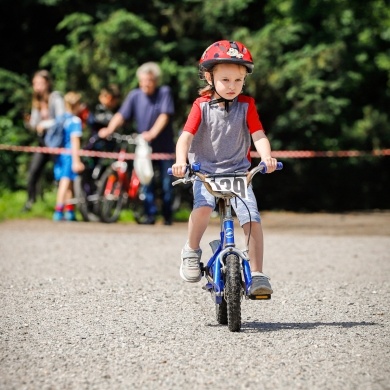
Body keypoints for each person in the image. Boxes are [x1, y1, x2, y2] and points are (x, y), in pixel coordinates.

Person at [170, 40, 278, 295]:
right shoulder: (201, 106)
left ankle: (259, 274)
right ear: (210, 77)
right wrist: (180, 161)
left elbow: (258, 134)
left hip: (239, 173)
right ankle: (192, 249)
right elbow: (185, 137)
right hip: (205, 171)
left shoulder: (247, 105)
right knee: (203, 207)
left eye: (238, 81)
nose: (232, 86)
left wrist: (267, 158)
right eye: (225, 80)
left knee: (251, 217)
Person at [99, 62, 175, 225]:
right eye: (143, 80)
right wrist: (109, 129)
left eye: (150, 80)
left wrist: (152, 133)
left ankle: (168, 216)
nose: (146, 84)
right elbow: (121, 114)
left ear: (155, 80)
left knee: (166, 183)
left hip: (164, 148)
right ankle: (150, 214)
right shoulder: (135, 95)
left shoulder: (164, 92)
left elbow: (164, 116)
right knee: (145, 179)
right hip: (144, 147)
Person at [23, 70, 65, 211]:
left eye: (40, 83)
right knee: (33, 172)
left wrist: (44, 124)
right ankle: (30, 202)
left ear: (47, 83)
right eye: (35, 83)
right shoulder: (37, 101)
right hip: (43, 143)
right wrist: (29, 123)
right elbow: (35, 125)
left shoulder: (55, 98)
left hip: (57, 142)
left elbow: (61, 119)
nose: (37, 86)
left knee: (60, 175)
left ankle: (63, 205)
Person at [52, 92, 85, 221]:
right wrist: (76, 161)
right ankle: (59, 210)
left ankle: (69, 210)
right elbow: (75, 142)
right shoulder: (76, 121)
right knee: (64, 183)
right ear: (76, 105)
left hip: (59, 154)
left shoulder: (61, 118)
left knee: (68, 183)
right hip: (69, 155)